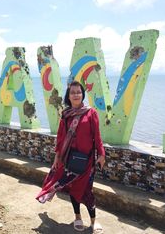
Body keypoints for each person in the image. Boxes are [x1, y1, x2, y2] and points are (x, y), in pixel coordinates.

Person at [36, 81, 105, 233]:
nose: (76, 95)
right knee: (73, 190)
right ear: (68, 96)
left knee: (87, 190)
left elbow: (97, 136)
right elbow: (60, 138)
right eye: (72, 92)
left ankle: (94, 220)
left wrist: (101, 154)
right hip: (69, 160)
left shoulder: (91, 113)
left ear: (82, 94)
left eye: (78, 92)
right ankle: (78, 217)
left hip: (87, 162)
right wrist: (56, 158)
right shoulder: (66, 115)